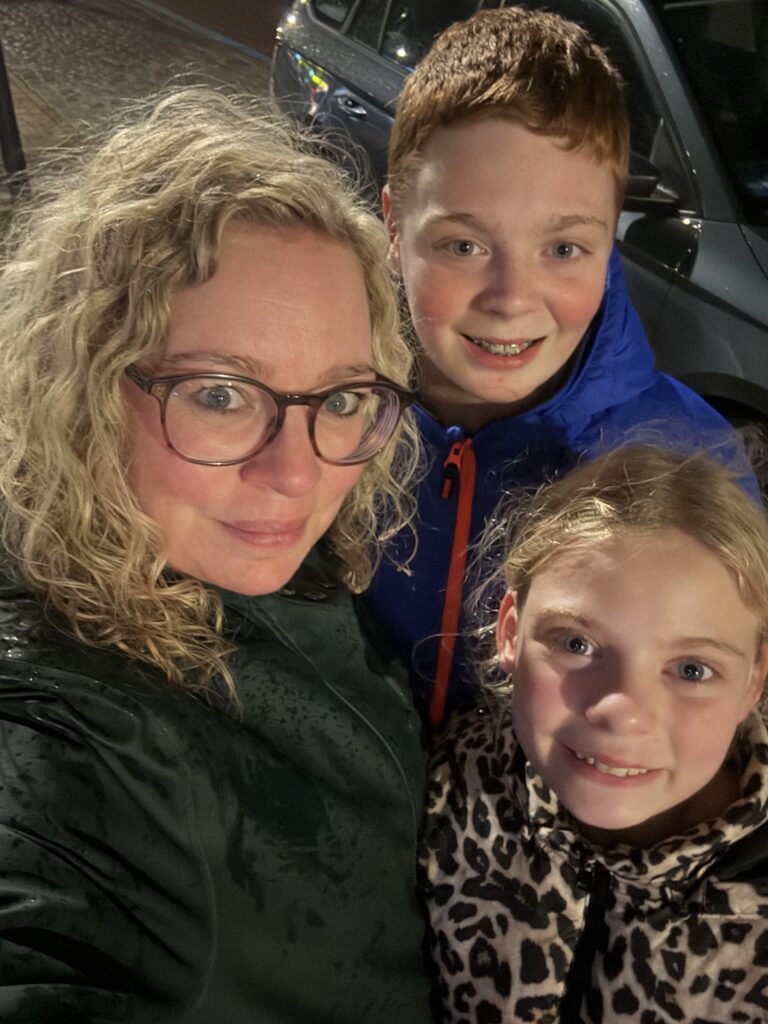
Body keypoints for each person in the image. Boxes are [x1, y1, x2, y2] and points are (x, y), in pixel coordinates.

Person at [0, 89, 434, 1023]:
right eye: (221, 394)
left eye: (342, 398)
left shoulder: (258, 556)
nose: (298, 473)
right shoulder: (71, 740)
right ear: (85, 385)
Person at [367, 6, 757, 727]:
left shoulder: (690, 465)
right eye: (463, 246)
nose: (511, 299)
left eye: (564, 250)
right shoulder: (323, 407)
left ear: (610, 244)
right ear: (394, 227)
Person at [422, 444, 768, 1023]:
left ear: (754, 681)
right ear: (509, 633)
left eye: (692, 669)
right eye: (576, 643)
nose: (621, 711)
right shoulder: (458, 776)